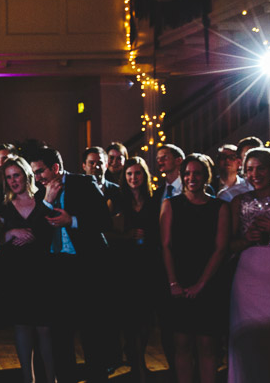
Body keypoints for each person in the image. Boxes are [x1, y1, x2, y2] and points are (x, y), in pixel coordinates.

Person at [28, 147, 112, 383]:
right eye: (34, 173)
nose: (37, 177)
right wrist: (47, 200)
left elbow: (105, 221)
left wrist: (72, 221)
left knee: (91, 332)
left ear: (55, 167)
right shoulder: (40, 194)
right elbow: (37, 231)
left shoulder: (84, 184)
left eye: (40, 171)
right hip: (57, 271)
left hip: (87, 268)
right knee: (60, 334)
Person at [0, 156, 54, 383]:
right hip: (16, 273)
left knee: (45, 328)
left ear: (26, 175)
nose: (13, 181)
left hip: (42, 272)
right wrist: (12, 234)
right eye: (9, 177)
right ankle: (27, 379)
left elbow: (53, 234)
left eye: (17, 175)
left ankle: (51, 379)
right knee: (22, 327)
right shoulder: (3, 207)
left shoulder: (44, 202)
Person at [160, 154, 230, 383]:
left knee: (207, 344)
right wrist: (173, 282)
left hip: (209, 280)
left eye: (197, 173)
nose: (191, 177)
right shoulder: (170, 204)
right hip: (179, 279)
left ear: (205, 176)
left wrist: (202, 284)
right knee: (182, 344)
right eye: (187, 173)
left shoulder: (219, 207)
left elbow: (220, 249)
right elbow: (166, 245)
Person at [228, 147, 270, 382]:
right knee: (248, 340)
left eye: (261, 168)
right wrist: (247, 240)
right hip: (248, 281)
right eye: (250, 169)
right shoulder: (238, 202)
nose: (255, 174)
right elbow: (227, 246)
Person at [110, 157, 162, 383]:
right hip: (126, 266)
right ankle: (137, 365)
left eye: (138, 174)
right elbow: (106, 233)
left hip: (149, 264)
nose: (133, 178)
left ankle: (138, 359)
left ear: (144, 176)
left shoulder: (154, 200)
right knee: (130, 318)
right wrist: (126, 236)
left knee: (146, 317)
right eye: (129, 174)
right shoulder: (118, 201)